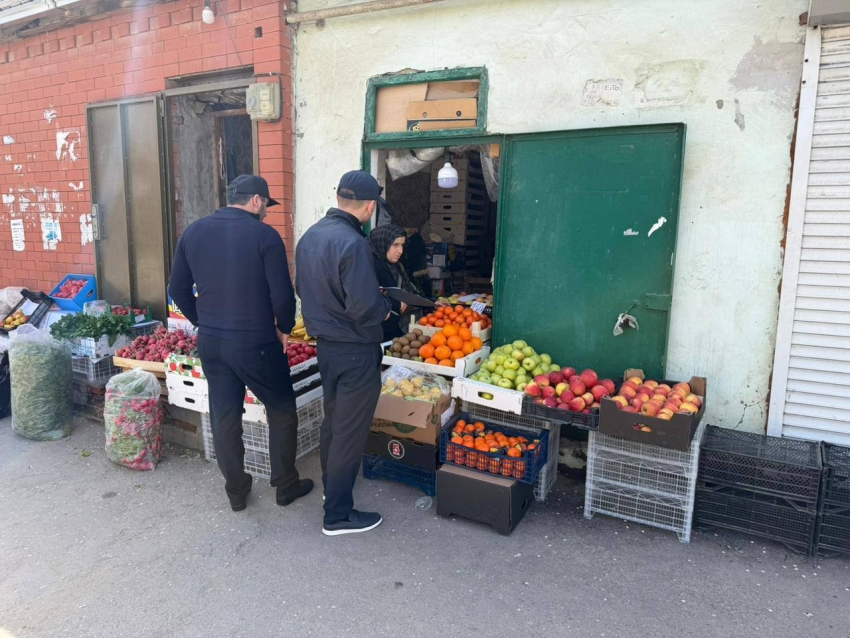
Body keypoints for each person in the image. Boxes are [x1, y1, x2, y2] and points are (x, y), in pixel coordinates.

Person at [168, 175, 313, 512]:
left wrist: (202, 321)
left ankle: (236, 491)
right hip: (255, 342)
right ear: (257, 201)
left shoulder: (194, 231)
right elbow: (281, 295)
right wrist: (285, 328)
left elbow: (177, 290)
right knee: (281, 410)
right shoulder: (265, 236)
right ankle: (285, 485)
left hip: (211, 342)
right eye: (266, 206)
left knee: (225, 415)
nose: (266, 213)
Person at [295, 170, 392, 536]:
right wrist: (385, 306)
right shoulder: (354, 243)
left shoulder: (310, 237)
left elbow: (301, 287)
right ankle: (337, 514)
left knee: (333, 425)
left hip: (327, 349)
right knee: (349, 432)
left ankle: (330, 493)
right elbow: (364, 308)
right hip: (355, 349)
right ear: (369, 206)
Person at [368, 223, 424, 341]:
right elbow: (368, 295)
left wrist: (432, 303)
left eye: (402, 245)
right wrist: (397, 304)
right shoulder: (371, 265)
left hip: (395, 329)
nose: (400, 251)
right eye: (395, 245)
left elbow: (407, 292)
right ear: (383, 243)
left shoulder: (396, 266)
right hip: (379, 332)